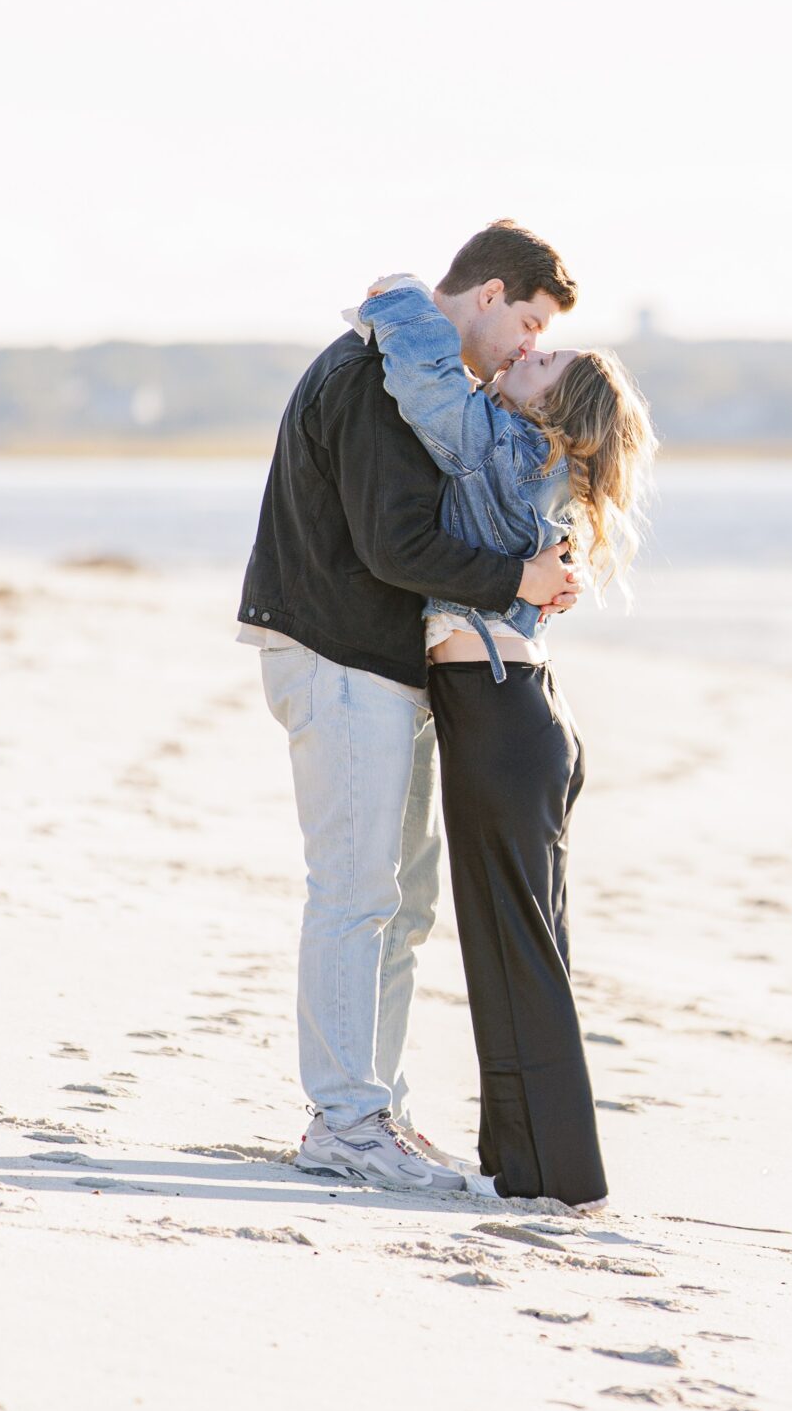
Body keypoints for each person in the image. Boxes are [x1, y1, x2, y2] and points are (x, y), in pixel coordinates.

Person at [237, 220, 582, 1196]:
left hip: (383, 665)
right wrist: (515, 571)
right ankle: (344, 1121)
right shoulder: (372, 375)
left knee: (404, 902)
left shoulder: (424, 387)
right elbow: (394, 547)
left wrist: (538, 574)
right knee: (355, 893)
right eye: (529, 321)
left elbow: (442, 526)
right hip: (337, 655)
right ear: (487, 295)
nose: (527, 346)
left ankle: (370, 1107)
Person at [350, 263, 658, 1207]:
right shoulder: (535, 465)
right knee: (514, 945)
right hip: (518, 715)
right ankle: (523, 1170)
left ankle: (560, 1181)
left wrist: (398, 297)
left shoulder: (509, 449)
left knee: (514, 951)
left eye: (545, 354)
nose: (529, 350)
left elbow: (428, 384)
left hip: (500, 714)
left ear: (554, 409)